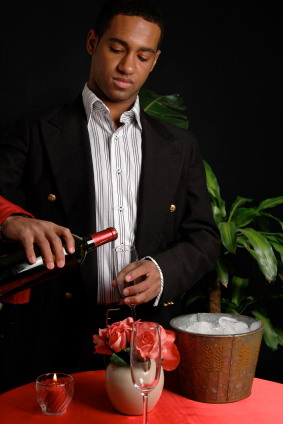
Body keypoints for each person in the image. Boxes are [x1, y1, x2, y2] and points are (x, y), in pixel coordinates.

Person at [0, 0, 220, 392]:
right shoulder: (36, 129)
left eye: (142, 55)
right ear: (92, 42)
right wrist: (14, 220)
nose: (127, 66)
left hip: (148, 336)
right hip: (56, 331)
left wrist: (163, 269)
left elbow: (204, 237)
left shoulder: (179, 145)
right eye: (117, 48)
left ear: (154, 61)